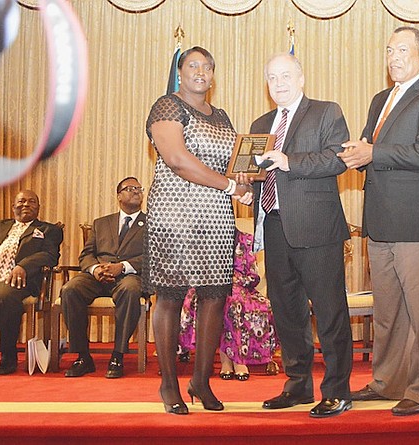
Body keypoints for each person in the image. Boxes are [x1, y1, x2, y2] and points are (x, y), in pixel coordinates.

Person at [338, 26, 419, 416]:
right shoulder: (379, 100)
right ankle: (388, 382)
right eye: (389, 50)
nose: (393, 57)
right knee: (388, 312)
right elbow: (367, 149)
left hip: (417, 221)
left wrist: (373, 152)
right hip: (380, 221)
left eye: (402, 50)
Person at [145, 46, 252, 415]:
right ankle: (169, 384)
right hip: (175, 215)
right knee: (171, 298)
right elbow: (176, 159)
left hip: (217, 218)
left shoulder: (221, 116)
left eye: (207, 66)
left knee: (215, 296)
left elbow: (235, 161)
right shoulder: (167, 106)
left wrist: (244, 175)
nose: (201, 71)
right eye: (193, 65)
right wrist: (230, 186)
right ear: (180, 71)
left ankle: (201, 381)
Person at [252, 52, 353, 418]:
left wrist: (289, 160)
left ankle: (338, 390)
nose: (278, 83)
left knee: (329, 312)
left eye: (285, 76)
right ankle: (297, 385)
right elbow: (258, 172)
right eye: (271, 77)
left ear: (301, 78)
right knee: (287, 312)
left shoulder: (326, 112)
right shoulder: (261, 123)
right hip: (274, 226)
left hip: (317, 228)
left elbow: (338, 159)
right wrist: (246, 184)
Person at [59, 177, 146, 379]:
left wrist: (122, 267)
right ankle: (83, 357)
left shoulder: (151, 223)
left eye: (139, 189)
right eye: (130, 188)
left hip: (129, 276)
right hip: (98, 276)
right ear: (119, 196)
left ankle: (118, 355)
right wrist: (96, 268)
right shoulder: (101, 223)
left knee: (130, 289)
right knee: (69, 289)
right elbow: (86, 255)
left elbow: (154, 256)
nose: (136, 191)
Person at [177, 229, 279, 381]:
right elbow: (192, 272)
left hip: (241, 289)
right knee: (223, 300)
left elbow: (253, 277)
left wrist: (233, 280)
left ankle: (233, 360)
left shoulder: (246, 240)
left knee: (233, 300)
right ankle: (234, 361)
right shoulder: (199, 239)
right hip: (205, 287)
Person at [0, 190, 63, 375]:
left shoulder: (49, 230)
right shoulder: (2, 226)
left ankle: (8, 356)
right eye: (21, 201)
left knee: (4, 297)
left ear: (38, 207)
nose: (26, 204)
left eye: (31, 202)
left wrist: (23, 266)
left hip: (22, 281)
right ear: (13, 206)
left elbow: (50, 256)